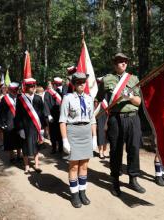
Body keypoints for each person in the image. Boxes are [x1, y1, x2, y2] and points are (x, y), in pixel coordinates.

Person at [96, 52, 146, 196]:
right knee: (116, 150)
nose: (123, 63)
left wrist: (130, 97)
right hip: (115, 119)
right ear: (114, 63)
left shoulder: (133, 79)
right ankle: (115, 180)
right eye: (120, 61)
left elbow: (138, 102)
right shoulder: (106, 80)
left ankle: (133, 178)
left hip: (132, 118)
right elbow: (99, 99)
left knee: (134, 148)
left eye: (125, 61)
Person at [60, 72, 97, 208]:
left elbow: (92, 119)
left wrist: (95, 138)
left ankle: (82, 192)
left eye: (83, 82)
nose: (81, 84)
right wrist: (65, 140)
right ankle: (74, 195)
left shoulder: (89, 98)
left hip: (86, 132)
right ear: (74, 84)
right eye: (78, 82)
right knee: (74, 166)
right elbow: (63, 121)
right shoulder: (67, 98)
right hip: (73, 132)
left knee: (84, 165)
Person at [15, 78, 47, 174]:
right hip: (25, 127)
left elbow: (41, 113)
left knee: (36, 146)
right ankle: (27, 166)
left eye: (33, 86)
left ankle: (36, 165)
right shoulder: (21, 99)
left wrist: (42, 128)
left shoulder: (38, 98)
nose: (32, 88)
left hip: (36, 126)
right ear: (26, 87)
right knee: (25, 146)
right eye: (30, 86)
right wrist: (20, 129)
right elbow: (18, 115)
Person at [0, 82, 23, 162]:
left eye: (16, 90)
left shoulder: (20, 97)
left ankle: (19, 155)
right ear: (9, 90)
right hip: (9, 122)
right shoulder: (4, 99)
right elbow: (1, 112)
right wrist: (2, 123)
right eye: (13, 90)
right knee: (9, 140)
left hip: (19, 122)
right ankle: (11, 157)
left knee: (19, 139)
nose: (14, 92)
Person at [44, 77, 67, 154]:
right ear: (54, 85)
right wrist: (49, 115)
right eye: (57, 84)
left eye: (59, 84)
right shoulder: (48, 93)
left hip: (61, 115)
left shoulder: (62, 92)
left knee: (61, 131)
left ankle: (61, 147)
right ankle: (54, 148)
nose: (58, 86)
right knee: (53, 132)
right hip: (52, 116)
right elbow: (46, 104)